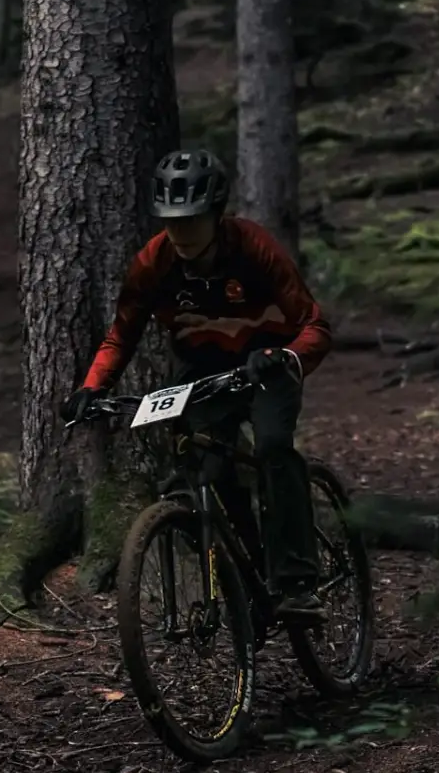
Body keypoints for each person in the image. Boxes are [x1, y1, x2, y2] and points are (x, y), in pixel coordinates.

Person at [60, 148, 331, 621]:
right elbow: (121, 335)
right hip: (201, 372)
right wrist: (92, 388)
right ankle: (251, 577)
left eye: (191, 220)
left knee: (271, 448)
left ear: (215, 213)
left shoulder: (253, 247)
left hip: (265, 363)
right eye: (171, 220)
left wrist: (286, 356)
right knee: (203, 465)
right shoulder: (153, 261)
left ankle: (296, 579)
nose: (180, 231)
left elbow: (315, 325)